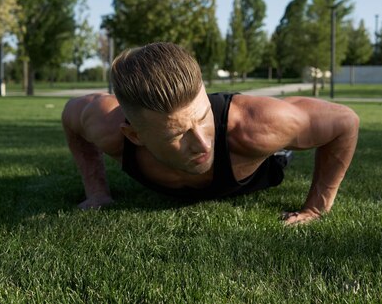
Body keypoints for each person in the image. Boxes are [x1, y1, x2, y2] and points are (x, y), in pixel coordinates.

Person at [61, 42, 359, 225]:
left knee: (270, 141)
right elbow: (69, 119)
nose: (203, 143)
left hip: (258, 158)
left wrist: (316, 209)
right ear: (135, 136)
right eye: (176, 135)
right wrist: (97, 191)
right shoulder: (105, 126)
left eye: (203, 118)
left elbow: (345, 122)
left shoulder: (256, 127)